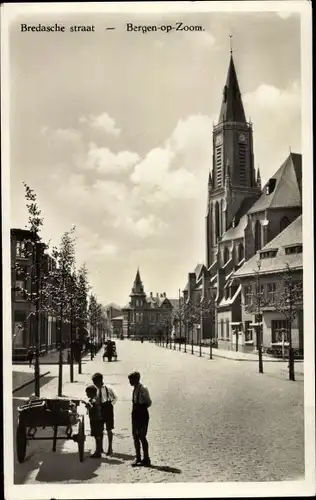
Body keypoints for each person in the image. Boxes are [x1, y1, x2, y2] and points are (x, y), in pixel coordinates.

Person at [128, 371, 152, 467]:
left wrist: (141, 409)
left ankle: (146, 458)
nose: (130, 382)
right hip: (135, 413)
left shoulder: (143, 389)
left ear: (136, 380)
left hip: (142, 414)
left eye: (131, 380)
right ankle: (138, 458)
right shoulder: (134, 389)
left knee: (142, 436)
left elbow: (149, 402)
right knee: (135, 436)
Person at [91, 372, 117, 456]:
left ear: (100, 381)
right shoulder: (94, 390)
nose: (95, 384)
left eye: (96, 382)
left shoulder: (108, 388)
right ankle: (100, 447)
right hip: (99, 409)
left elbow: (115, 398)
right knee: (100, 429)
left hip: (107, 408)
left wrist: (110, 404)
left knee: (109, 428)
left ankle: (110, 447)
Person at [84, 384, 104, 458]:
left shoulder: (93, 400)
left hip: (95, 420)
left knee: (97, 435)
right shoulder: (97, 398)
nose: (86, 394)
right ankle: (100, 448)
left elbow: (91, 406)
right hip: (100, 418)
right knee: (100, 434)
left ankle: (97, 452)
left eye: (87, 393)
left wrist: (86, 405)